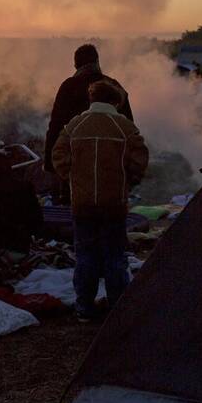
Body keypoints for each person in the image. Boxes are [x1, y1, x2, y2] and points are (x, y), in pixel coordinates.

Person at [52, 80, 149, 322]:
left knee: (85, 255)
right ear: (115, 101)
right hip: (113, 203)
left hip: (82, 203)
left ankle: (84, 308)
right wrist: (127, 182)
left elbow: (58, 156)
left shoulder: (75, 126)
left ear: (92, 99)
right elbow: (139, 161)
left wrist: (73, 178)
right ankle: (117, 310)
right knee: (115, 256)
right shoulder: (124, 127)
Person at [43, 44, 133, 204]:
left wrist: (50, 163)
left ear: (75, 65)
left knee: (76, 214)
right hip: (110, 166)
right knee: (109, 215)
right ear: (97, 61)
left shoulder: (68, 87)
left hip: (77, 164)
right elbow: (130, 127)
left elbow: (55, 126)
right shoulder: (113, 86)